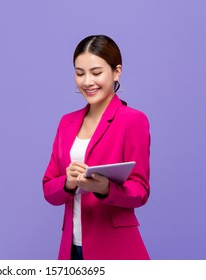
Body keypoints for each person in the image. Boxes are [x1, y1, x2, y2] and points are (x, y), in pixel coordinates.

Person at [42, 35, 150, 260]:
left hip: (116, 247)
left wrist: (105, 188)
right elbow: (49, 189)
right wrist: (68, 182)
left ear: (116, 72)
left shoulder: (133, 120)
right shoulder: (66, 123)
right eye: (80, 73)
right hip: (72, 248)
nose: (87, 81)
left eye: (96, 72)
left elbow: (140, 191)